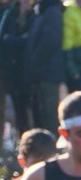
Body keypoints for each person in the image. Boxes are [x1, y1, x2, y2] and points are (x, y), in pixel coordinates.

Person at [0, 0, 38, 136]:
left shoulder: (36, 15)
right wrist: (20, 40)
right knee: (20, 112)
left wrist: (13, 40)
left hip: (30, 72)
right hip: (13, 72)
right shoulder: (10, 14)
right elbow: (3, 39)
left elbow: (32, 41)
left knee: (33, 112)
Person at [26, 0, 61, 131]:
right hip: (41, 73)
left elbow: (51, 41)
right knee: (41, 114)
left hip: (48, 74)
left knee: (49, 114)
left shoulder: (52, 12)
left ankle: (51, 147)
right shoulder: (42, 12)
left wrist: (35, 60)